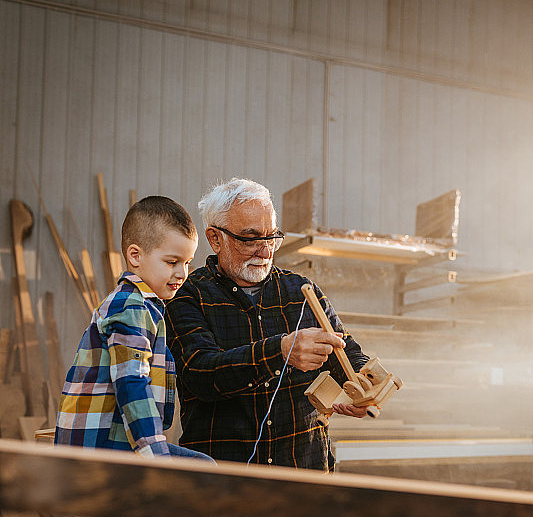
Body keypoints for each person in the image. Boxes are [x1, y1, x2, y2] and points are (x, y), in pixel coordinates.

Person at [166, 178, 369, 471]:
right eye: (250, 238)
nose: (265, 250)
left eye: (271, 237)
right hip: (225, 484)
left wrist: (362, 383)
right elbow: (201, 373)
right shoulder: (187, 295)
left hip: (305, 473)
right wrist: (280, 351)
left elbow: (346, 352)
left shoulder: (301, 290)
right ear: (215, 238)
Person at [55, 195, 213, 460]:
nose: (182, 273)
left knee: (200, 465)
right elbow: (131, 381)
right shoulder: (132, 308)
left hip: (111, 438)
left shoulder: (142, 305)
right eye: (171, 262)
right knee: (202, 469)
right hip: (100, 446)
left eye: (187, 262)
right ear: (135, 256)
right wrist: (153, 451)